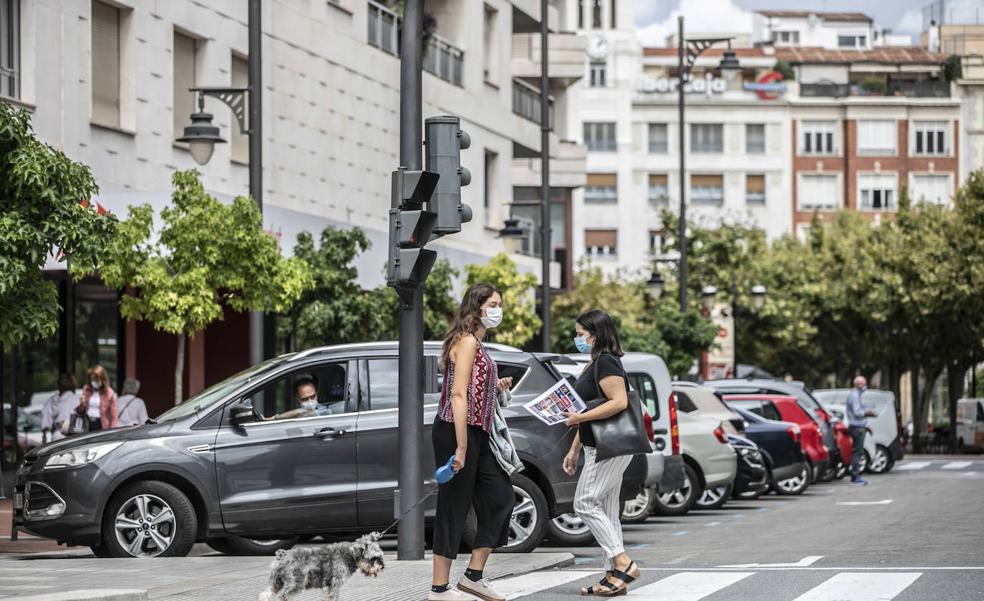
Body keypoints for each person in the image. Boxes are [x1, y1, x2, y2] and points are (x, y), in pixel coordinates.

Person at [430, 283, 515, 601]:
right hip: (455, 430)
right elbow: (457, 394)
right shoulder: (465, 342)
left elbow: (474, 388)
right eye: (493, 304)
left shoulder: (477, 343)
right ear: (477, 307)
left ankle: (473, 576)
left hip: (476, 431)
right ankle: (439, 590)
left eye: (500, 304)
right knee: (453, 505)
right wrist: (461, 448)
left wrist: (496, 384)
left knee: (501, 497)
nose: (498, 310)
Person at [561, 309, 641, 596]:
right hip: (599, 445)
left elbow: (618, 402)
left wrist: (578, 420)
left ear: (596, 334)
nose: (577, 339)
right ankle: (612, 578)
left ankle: (623, 563)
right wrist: (574, 449)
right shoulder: (593, 364)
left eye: (581, 335)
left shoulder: (606, 362)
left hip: (611, 448)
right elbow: (589, 410)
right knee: (607, 510)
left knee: (584, 503)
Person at [846, 375, 877, 486]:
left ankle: (855, 474)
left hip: (858, 426)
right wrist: (867, 413)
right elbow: (857, 412)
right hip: (857, 427)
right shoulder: (854, 396)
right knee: (857, 452)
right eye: (864, 384)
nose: (865, 386)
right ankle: (855, 475)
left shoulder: (856, 395)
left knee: (858, 451)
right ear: (859, 385)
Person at [76, 365, 118, 432]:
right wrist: (82, 403)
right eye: (92, 379)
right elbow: (80, 411)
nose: (94, 382)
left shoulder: (109, 393)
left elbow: (114, 416)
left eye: (97, 379)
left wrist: (111, 431)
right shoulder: (86, 389)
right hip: (87, 423)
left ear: (102, 379)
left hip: (102, 424)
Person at [41, 373, 79, 444]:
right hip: (69, 436)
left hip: (62, 436)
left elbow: (46, 422)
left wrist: (44, 436)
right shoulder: (76, 399)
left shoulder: (52, 400)